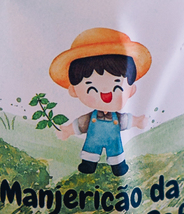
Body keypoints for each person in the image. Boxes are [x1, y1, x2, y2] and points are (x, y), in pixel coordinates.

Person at [49, 26, 152, 176]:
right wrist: (68, 130)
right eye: (91, 87)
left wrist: (137, 121)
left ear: (131, 90)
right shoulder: (89, 118)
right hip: (93, 141)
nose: (105, 91)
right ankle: (88, 163)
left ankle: (118, 165)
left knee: (116, 151)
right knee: (91, 149)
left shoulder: (118, 117)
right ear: (74, 90)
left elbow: (127, 120)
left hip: (114, 142)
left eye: (117, 84)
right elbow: (80, 124)